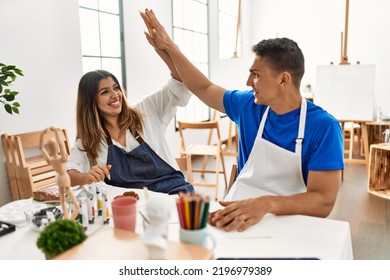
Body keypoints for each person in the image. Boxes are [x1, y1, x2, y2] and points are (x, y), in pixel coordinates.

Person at [140, 9, 344, 231]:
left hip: (290, 222)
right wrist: (169, 48)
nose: (248, 82)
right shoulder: (249, 106)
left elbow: (323, 200)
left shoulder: (324, 127)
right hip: (235, 215)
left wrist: (266, 204)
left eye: (256, 74)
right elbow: (203, 87)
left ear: (283, 79)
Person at [66, 53, 195, 195]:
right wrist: (86, 177)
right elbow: (68, 177)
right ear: (91, 102)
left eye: (116, 88)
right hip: (131, 205)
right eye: (105, 92)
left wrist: (167, 49)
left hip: (173, 195)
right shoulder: (89, 141)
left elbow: (180, 84)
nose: (115, 95)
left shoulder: (147, 109)